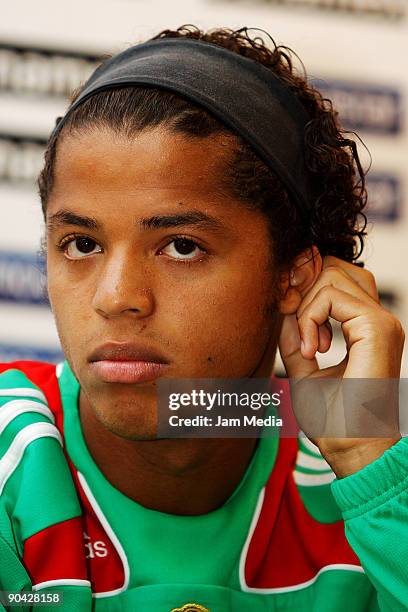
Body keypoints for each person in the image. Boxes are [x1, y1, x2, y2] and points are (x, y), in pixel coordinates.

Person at [0, 24, 406, 612]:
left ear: (292, 278)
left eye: (181, 246)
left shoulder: (374, 473)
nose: (115, 298)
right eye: (82, 244)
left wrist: (368, 460)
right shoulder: (13, 456)